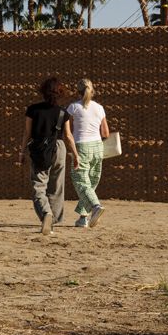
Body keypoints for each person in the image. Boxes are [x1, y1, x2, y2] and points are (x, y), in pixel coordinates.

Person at [17, 77, 68, 235]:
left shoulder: (33, 109)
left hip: (40, 149)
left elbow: (27, 132)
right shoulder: (62, 112)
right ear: (60, 93)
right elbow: (69, 136)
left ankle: (46, 213)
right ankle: (52, 222)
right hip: (59, 148)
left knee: (39, 186)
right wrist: (77, 156)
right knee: (56, 187)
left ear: (43, 92)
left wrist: (22, 152)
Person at [64, 78, 109, 229]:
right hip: (98, 147)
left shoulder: (73, 107)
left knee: (81, 182)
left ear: (77, 91)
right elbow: (106, 133)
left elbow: (66, 130)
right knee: (90, 183)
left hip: (81, 147)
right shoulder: (100, 108)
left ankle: (96, 207)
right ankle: (83, 218)